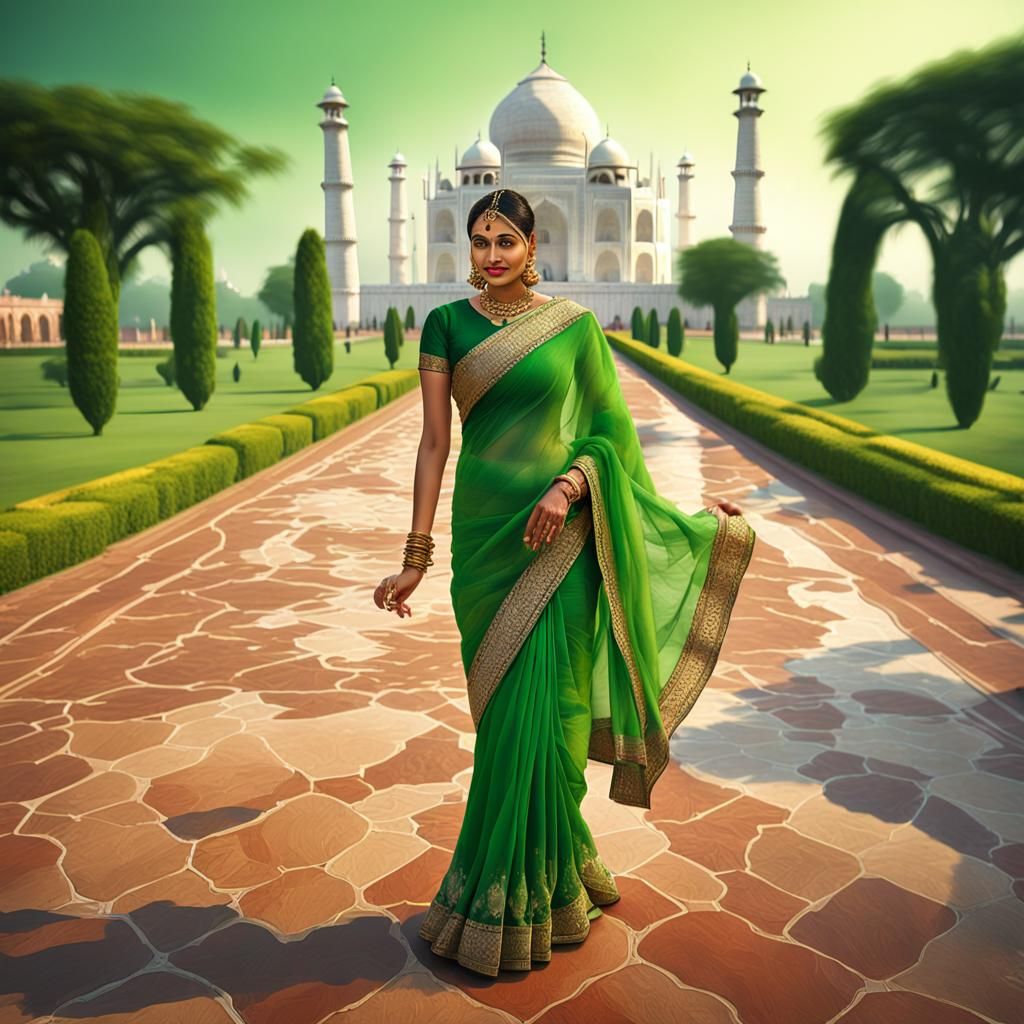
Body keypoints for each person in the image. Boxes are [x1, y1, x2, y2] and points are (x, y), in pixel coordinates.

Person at [373, 188, 755, 978]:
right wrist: (416, 552)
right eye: (479, 240)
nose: (490, 254)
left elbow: (613, 437)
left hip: (561, 537)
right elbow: (434, 443)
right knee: (506, 720)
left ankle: (545, 884)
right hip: (488, 541)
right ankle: (512, 888)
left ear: (533, 243)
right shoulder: (444, 325)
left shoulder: (575, 325)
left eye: (505, 239)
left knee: (556, 718)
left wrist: (573, 485)